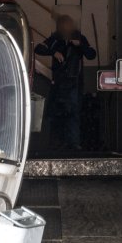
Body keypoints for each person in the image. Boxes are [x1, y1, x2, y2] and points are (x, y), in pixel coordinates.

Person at [35, 15, 96, 150]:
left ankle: (73, 143)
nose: (66, 27)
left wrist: (80, 45)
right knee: (56, 113)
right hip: (58, 82)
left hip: (74, 82)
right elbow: (38, 48)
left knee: (74, 112)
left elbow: (92, 54)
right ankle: (56, 143)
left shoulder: (79, 38)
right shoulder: (55, 38)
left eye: (68, 24)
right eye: (64, 25)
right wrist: (53, 52)